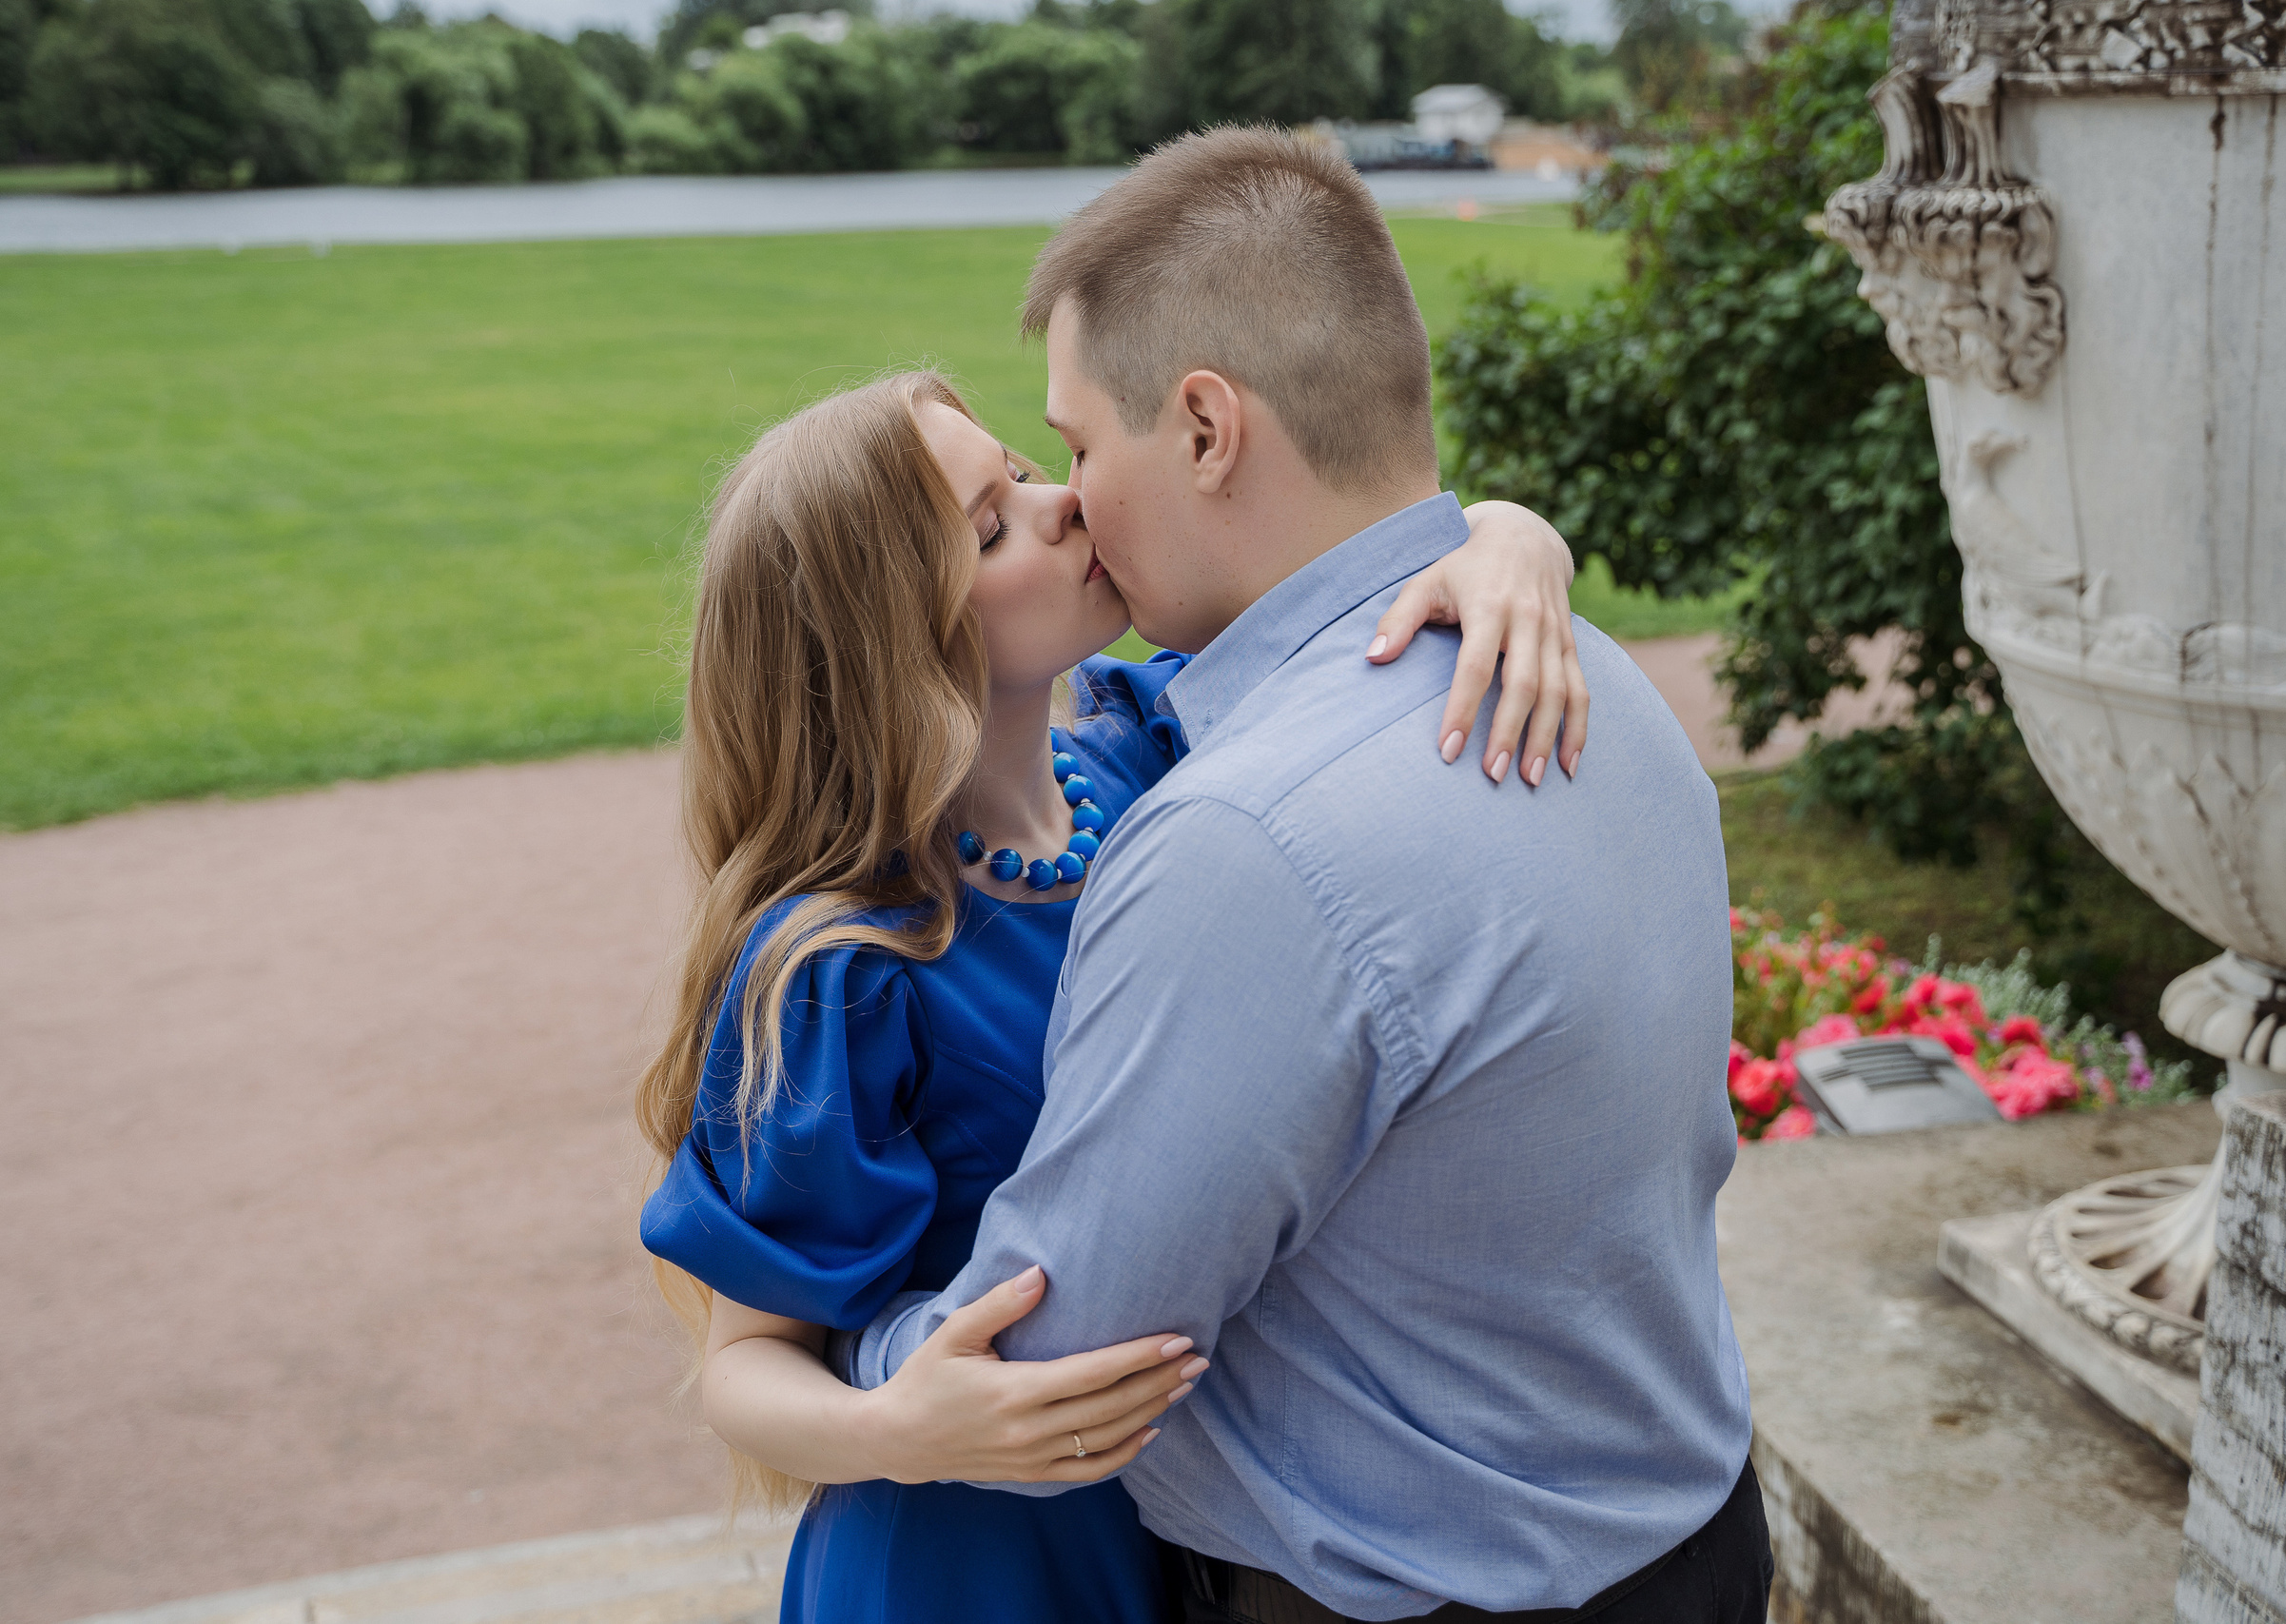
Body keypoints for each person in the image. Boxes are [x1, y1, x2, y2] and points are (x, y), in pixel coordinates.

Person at [834, 128, 1770, 1623]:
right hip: (1693, 1537)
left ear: (1205, 429)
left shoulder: (1247, 839)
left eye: (1077, 447)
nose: (1069, 501)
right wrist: (1516, 530)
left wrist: (850, 1367)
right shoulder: (1595, 674)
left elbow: (1057, 1371)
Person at [636, 364, 1594, 1624]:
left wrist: (1518, 540)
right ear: (890, 641)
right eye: (991, 527)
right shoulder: (842, 969)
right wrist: (903, 1426)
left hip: (1221, 1531)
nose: (1063, 507)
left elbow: (1374, 564)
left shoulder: (1151, 750)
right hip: (977, 1570)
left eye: (1027, 474)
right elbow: (744, 1364)